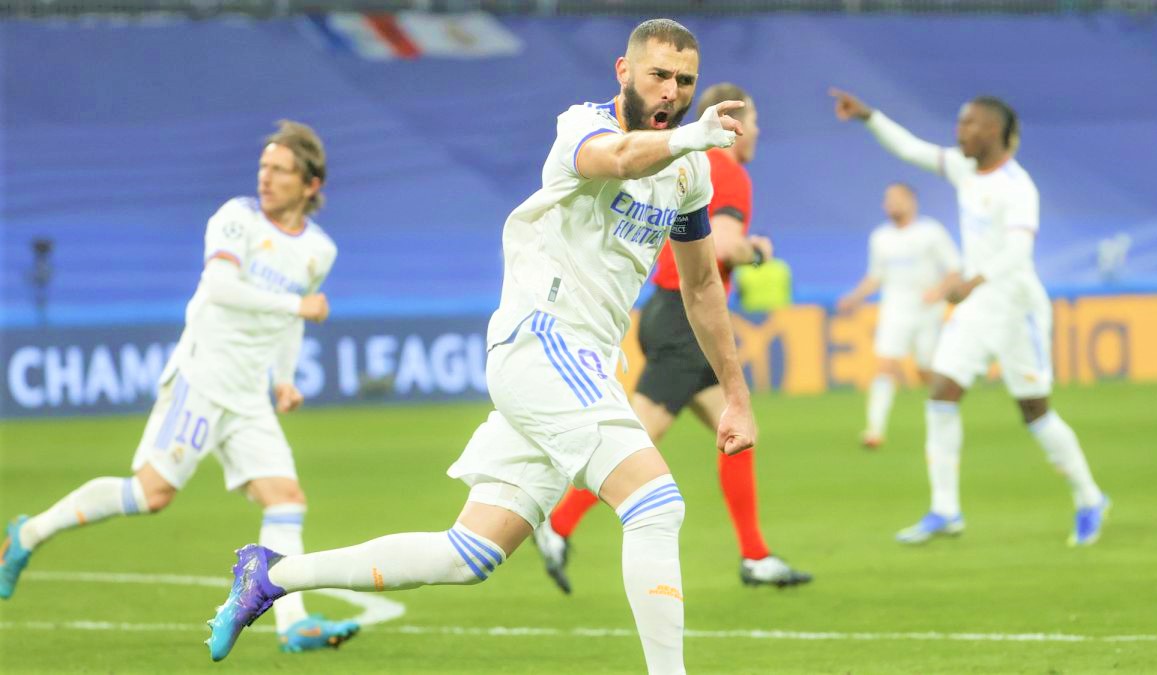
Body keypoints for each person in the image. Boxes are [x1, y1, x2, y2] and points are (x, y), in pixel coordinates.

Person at [204, 20, 756, 674]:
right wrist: (695, 134)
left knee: (466, 554)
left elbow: (700, 286)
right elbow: (617, 159)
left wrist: (738, 395)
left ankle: (272, 573)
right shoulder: (581, 126)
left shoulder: (690, 172)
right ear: (623, 72)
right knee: (657, 503)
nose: (671, 91)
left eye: (684, 81)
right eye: (658, 75)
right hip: (541, 341)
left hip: (585, 364)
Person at [0, 121, 358, 651]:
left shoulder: (317, 251)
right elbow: (220, 286)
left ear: (310, 185)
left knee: (286, 499)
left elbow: (292, 320)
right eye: (264, 166)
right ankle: (25, 536)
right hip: (202, 377)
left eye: (281, 170)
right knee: (150, 494)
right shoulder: (236, 219)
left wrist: (283, 379)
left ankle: (295, 625)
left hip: (247, 395)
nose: (266, 177)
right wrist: (294, 305)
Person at [533, 82, 810, 595]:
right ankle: (557, 523)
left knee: (738, 431)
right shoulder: (725, 170)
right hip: (685, 320)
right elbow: (725, 247)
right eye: (755, 120)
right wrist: (759, 252)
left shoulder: (688, 162)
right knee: (632, 439)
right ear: (736, 123)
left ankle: (755, 555)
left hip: (667, 312)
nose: (758, 133)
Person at [830, 88, 1109, 546]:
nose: (959, 131)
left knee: (1035, 412)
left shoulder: (1017, 188)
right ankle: (945, 510)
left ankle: (1088, 497)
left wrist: (971, 282)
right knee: (941, 393)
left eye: (969, 124)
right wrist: (869, 116)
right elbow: (911, 149)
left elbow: (1019, 252)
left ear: (994, 131)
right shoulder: (965, 169)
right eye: (959, 122)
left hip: (1017, 308)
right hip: (977, 308)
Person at [837, 183, 961, 449]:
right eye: (887, 200)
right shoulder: (880, 237)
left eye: (895, 199)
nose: (890, 204)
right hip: (895, 308)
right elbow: (875, 277)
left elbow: (954, 269)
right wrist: (854, 298)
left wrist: (938, 292)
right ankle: (874, 430)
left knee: (924, 370)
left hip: (928, 311)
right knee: (885, 365)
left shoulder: (931, 232)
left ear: (911, 201)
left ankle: (946, 412)